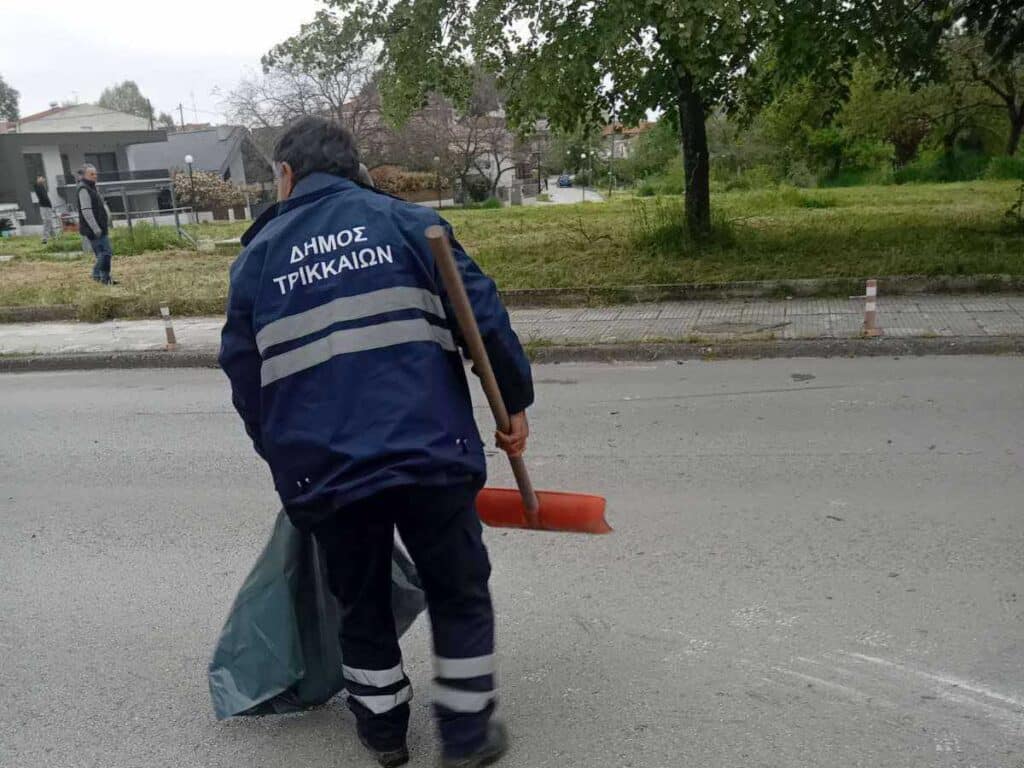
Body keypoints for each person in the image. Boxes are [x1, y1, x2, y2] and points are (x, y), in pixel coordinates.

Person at [219, 116, 533, 768]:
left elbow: (247, 382)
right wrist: (515, 403)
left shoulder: (257, 260)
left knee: (359, 598)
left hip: (326, 469)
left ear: (285, 176)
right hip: (430, 452)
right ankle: (468, 735)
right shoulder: (410, 226)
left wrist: (283, 459)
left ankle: (384, 732)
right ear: (355, 165)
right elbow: (483, 315)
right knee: (458, 589)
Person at [76, 164, 116, 285]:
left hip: (100, 226)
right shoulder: (83, 189)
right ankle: (96, 274)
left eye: (95, 173)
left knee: (102, 254)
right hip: (94, 229)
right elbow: (86, 211)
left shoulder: (92, 187)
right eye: (91, 174)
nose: (95, 176)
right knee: (106, 253)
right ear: (84, 175)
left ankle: (104, 278)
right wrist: (95, 228)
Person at [33, 176, 58, 244]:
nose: (44, 179)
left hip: (46, 206)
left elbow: (46, 197)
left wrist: (50, 206)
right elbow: (44, 197)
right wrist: (50, 206)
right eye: (42, 178)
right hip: (44, 206)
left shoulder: (42, 186)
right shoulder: (38, 186)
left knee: (49, 221)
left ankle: (54, 237)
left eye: (43, 178)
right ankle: (45, 238)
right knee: (47, 221)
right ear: (38, 178)